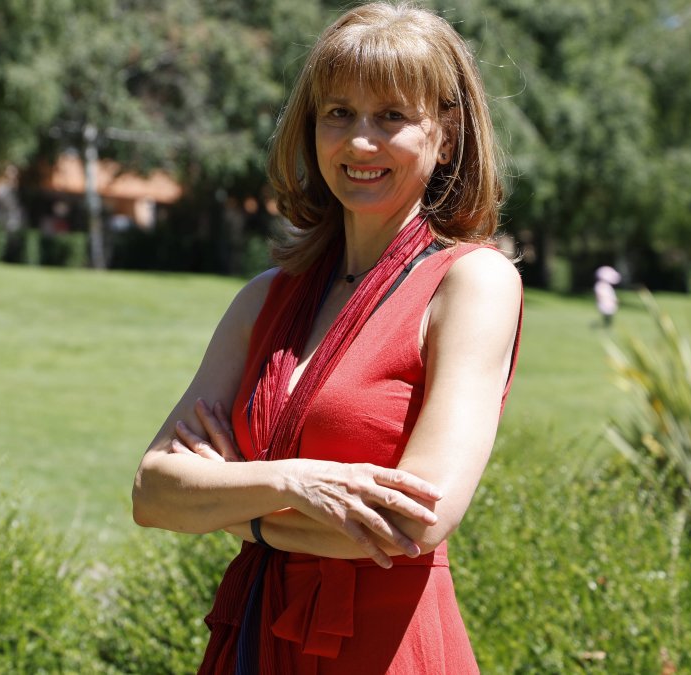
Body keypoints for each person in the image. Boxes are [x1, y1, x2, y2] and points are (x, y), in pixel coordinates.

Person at [130, 3, 523, 673]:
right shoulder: (264, 298)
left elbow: (412, 520)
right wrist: (291, 480)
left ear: (447, 138)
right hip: (257, 638)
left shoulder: (472, 284)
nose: (360, 142)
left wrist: (234, 504)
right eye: (338, 113)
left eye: (391, 117)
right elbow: (153, 491)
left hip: (385, 647)